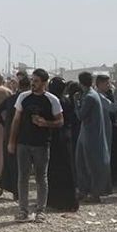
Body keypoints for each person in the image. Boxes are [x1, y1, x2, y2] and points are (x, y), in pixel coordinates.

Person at [7, 69, 64, 222]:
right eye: (32, 80)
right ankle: (23, 210)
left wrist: (46, 123)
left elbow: (60, 121)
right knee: (23, 177)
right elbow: (16, 120)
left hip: (41, 144)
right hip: (23, 143)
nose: (33, 83)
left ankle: (40, 211)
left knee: (41, 178)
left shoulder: (52, 100)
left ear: (44, 83)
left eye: (36, 81)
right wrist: (12, 141)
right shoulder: (23, 98)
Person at [75, 72, 113, 204]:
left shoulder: (90, 97)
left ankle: (95, 193)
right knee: (82, 164)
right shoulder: (92, 95)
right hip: (86, 134)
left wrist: (76, 102)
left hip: (91, 136)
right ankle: (84, 190)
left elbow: (80, 115)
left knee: (92, 165)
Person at [45, 77, 79, 212]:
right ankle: (68, 200)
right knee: (66, 169)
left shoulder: (53, 101)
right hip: (66, 136)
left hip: (55, 137)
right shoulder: (66, 100)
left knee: (54, 169)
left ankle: (56, 200)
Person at [0, 75, 29, 199]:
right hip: (21, 135)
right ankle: (17, 191)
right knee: (19, 164)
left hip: (9, 133)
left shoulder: (12, 98)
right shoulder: (27, 100)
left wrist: (4, 123)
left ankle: (9, 188)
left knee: (10, 162)